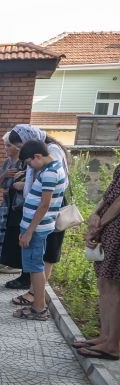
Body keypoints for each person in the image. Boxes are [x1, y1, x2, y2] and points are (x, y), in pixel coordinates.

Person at [5, 125, 70, 305]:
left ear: (37, 156)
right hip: (38, 222)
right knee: (36, 264)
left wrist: (29, 231)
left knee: (39, 263)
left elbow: (45, 203)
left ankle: (38, 305)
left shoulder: (51, 165)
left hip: (42, 222)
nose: (29, 167)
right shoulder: (47, 164)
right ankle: (36, 301)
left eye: (28, 162)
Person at [77, 121, 120, 360]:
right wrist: (95, 214)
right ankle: (105, 336)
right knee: (104, 283)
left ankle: (113, 344)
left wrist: (99, 225)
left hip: (116, 228)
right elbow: (108, 196)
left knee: (114, 285)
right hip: (109, 227)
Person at [0, 132, 22, 271]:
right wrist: (5, 175)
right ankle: (5, 258)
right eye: (5, 145)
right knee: (0, 230)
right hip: (6, 203)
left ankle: (13, 263)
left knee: (12, 233)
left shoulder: (23, 162)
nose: (5, 148)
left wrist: (12, 188)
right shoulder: (7, 162)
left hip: (17, 205)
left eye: (8, 145)